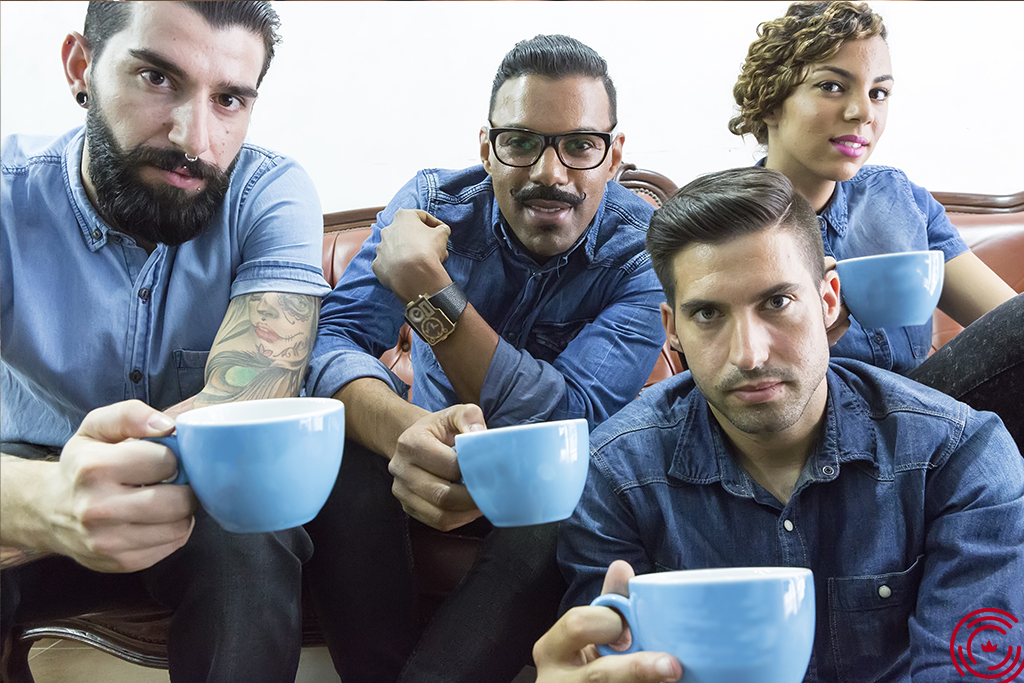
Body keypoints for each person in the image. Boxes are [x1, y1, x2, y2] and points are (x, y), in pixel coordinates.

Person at [554, 167, 1024, 682]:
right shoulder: (615, 476)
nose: (750, 355)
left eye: (777, 302)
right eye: (708, 314)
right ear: (673, 331)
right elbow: (609, 662)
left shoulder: (960, 457)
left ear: (827, 300)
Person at [303, 34, 666, 683]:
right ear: (486, 149)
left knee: (570, 483)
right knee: (341, 450)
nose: (550, 174)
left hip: (548, 497)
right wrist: (403, 429)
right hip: (422, 465)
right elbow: (331, 341)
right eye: (522, 142)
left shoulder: (642, 255)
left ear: (613, 158)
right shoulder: (435, 206)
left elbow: (565, 418)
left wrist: (429, 293)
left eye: (579, 145)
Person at [1, 2, 330, 680]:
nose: (195, 138)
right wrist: (45, 499)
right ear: (80, 67)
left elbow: (253, 394)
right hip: (25, 469)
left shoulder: (271, 192)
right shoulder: (8, 198)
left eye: (230, 99)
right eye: (156, 78)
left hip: (195, 491)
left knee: (249, 530)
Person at [728, 0, 1022, 446]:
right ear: (771, 103)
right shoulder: (723, 224)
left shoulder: (899, 200)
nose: (863, 113)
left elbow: (1007, 323)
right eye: (831, 86)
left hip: (929, 419)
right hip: (813, 437)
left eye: (878, 93)